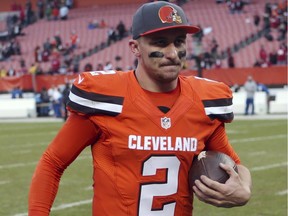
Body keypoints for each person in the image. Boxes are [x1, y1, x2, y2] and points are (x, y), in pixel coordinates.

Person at [28, 2, 252, 215]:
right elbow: (52, 163)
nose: (173, 53)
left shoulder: (204, 103)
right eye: (160, 42)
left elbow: (236, 165)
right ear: (135, 48)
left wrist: (244, 190)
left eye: (179, 42)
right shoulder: (106, 98)